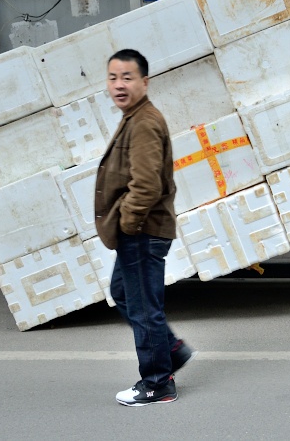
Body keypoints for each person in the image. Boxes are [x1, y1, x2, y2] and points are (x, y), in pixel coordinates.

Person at [95, 48, 195, 406]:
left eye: (127, 77)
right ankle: (171, 351)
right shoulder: (133, 117)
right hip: (139, 230)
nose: (119, 85)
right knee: (123, 293)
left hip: (142, 231)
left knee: (142, 307)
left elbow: (147, 184)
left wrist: (128, 224)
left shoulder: (144, 122)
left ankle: (157, 382)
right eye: (113, 77)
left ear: (144, 82)